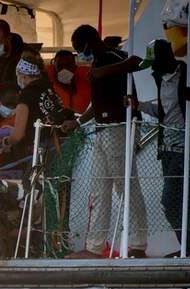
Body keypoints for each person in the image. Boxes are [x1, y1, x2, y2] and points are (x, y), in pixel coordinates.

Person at [67, 24, 148, 259]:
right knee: (99, 190)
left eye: (78, 49)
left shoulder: (112, 57)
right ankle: (94, 247)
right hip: (102, 129)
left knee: (126, 188)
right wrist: (79, 122)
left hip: (119, 128)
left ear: (89, 43)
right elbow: (96, 103)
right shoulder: (96, 64)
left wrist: (107, 71)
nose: (80, 55)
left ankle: (138, 245)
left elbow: (138, 61)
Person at [138, 38, 190, 257]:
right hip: (167, 149)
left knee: (170, 198)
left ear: (165, 59)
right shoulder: (161, 79)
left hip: (187, 147)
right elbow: (164, 112)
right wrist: (138, 105)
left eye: (154, 64)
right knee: (180, 198)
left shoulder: (189, 77)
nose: (152, 70)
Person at [1, 51, 77, 161]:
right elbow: (42, 116)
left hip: (45, 152)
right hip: (66, 146)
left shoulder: (26, 95)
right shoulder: (49, 88)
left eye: (17, 75)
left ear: (23, 75)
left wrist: (6, 141)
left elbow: (18, 135)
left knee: (33, 178)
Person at [46, 50, 92, 115]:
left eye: (68, 65)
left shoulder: (87, 79)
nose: (64, 69)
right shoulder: (48, 83)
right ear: (54, 67)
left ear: (75, 67)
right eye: (60, 66)